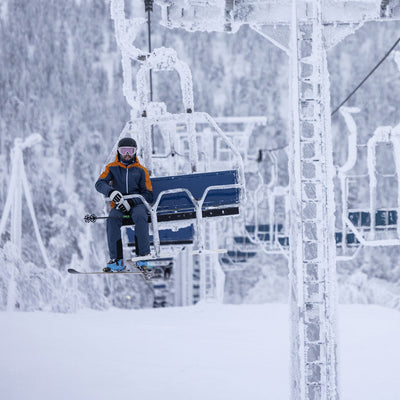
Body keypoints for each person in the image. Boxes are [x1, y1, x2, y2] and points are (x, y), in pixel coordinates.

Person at [95, 137, 153, 272]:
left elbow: (148, 194)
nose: (127, 154)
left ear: (135, 152)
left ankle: (142, 256)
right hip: (119, 205)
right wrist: (111, 192)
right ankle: (117, 260)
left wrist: (132, 201)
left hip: (137, 205)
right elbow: (99, 184)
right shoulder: (112, 168)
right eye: (124, 150)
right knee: (113, 218)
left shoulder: (141, 170)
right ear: (119, 152)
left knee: (140, 215)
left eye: (130, 151)